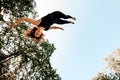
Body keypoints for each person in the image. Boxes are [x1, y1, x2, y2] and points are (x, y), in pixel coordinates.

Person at [8, 11, 76, 43]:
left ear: (35, 31)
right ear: (40, 34)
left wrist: (13, 24)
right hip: (56, 20)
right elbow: (54, 27)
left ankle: (72, 17)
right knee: (63, 22)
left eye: (36, 33)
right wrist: (60, 28)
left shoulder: (37, 23)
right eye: (38, 34)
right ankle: (70, 22)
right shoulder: (46, 29)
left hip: (55, 14)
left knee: (65, 16)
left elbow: (24, 19)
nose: (37, 33)